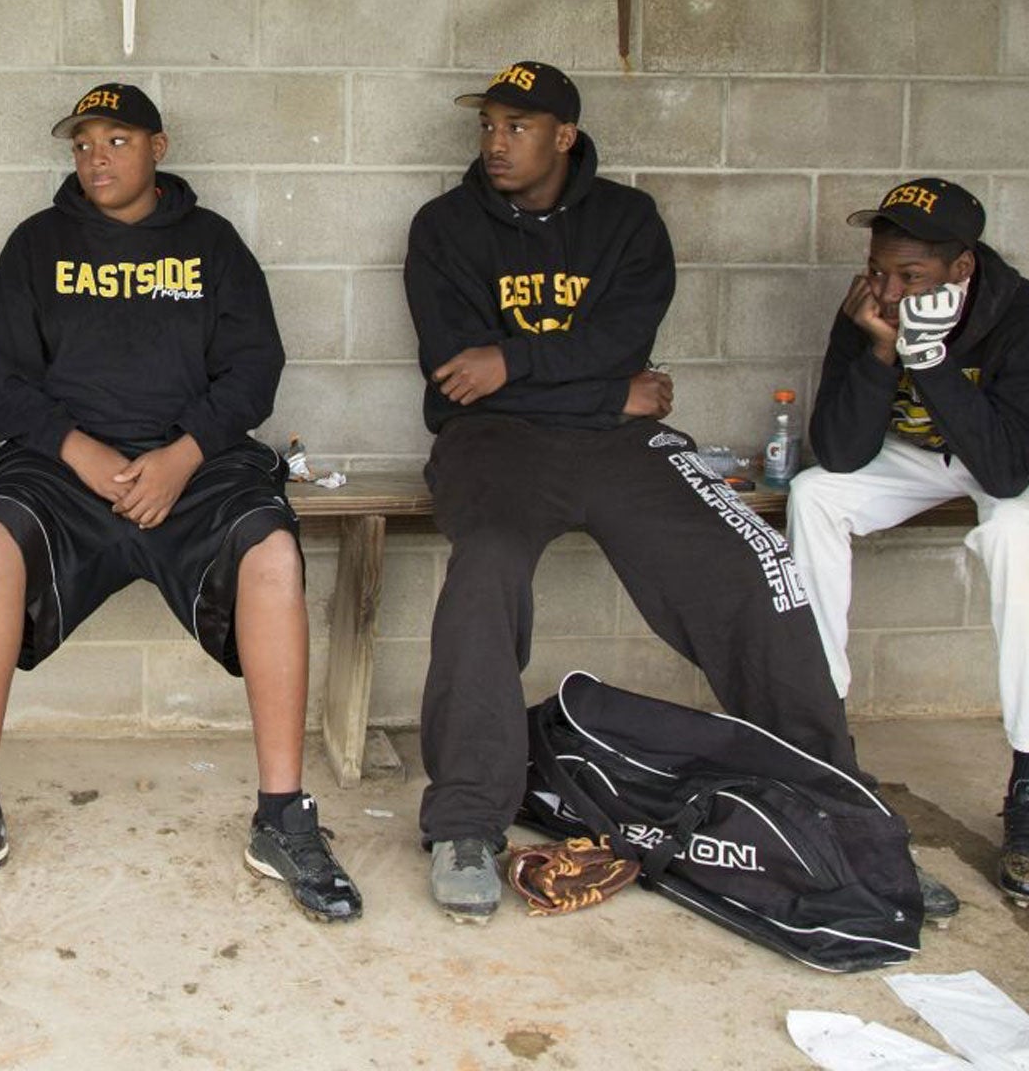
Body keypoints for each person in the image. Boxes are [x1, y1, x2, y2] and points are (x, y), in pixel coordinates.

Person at [403, 62, 877, 922]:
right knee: (486, 569)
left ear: (564, 137)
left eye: (517, 127)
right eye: (488, 126)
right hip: (494, 447)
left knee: (749, 565)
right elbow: (453, 383)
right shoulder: (444, 228)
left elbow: (620, 339)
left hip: (623, 443)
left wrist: (515, 361)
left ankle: (840, 809)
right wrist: (597, 387)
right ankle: (467, 824)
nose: (496, 142)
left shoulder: (628, 222)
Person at [0, 83, 362, 924]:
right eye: (81, 143)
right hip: (68, 470)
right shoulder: (37, 245)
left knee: (274, 553)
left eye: (115, 140)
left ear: (159, 148)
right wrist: (79, 450)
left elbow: (254, 373)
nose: (94, 157)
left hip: (194, 466)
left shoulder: (212, 245)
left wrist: (182, 454)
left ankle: (283, 817)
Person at [786, 178, 1029, 904]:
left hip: (1003, 460)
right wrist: (882, 353)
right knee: (813, 496)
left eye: (909, 276)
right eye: (879, 269)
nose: (887, 289)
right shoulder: (868, 307)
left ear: (960, 269)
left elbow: (1007, 469)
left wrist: (931, 361)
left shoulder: (1018, 314)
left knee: (1020, 536)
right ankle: (820, 731)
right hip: (914, 458)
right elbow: (837, 450)